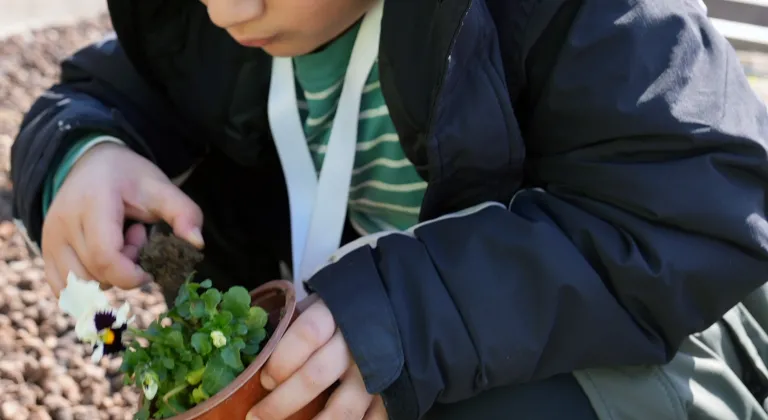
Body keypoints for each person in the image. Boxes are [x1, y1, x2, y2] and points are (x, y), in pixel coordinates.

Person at [10, 0, 768, 418]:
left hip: (631, 352)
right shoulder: (203, 25)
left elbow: (704, 205)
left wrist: (406, 317)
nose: (225, 8)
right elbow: (94, 93)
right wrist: (80, 156)